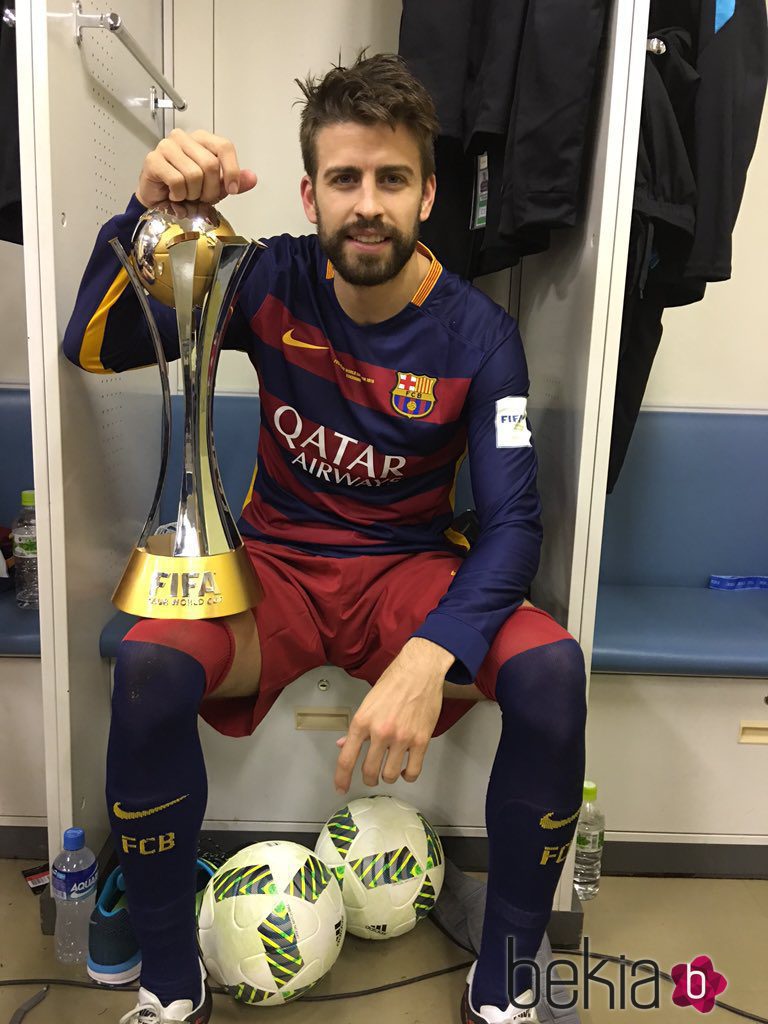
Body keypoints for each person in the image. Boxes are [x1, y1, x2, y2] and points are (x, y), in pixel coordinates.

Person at [63, 52, 586, 1024]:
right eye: (345, 179)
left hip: (409, 580)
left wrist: (437, 648)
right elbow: (94, 345)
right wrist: (143, 214)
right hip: (278, 573)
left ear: (428, 194)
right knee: (144, 664)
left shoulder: (481, 337)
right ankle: (172, 983)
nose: (368, 203)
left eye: (392, 178)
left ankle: (508, 970)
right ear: (310, 192)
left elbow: (516, 524)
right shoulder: (263, 277)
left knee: (554, 671)